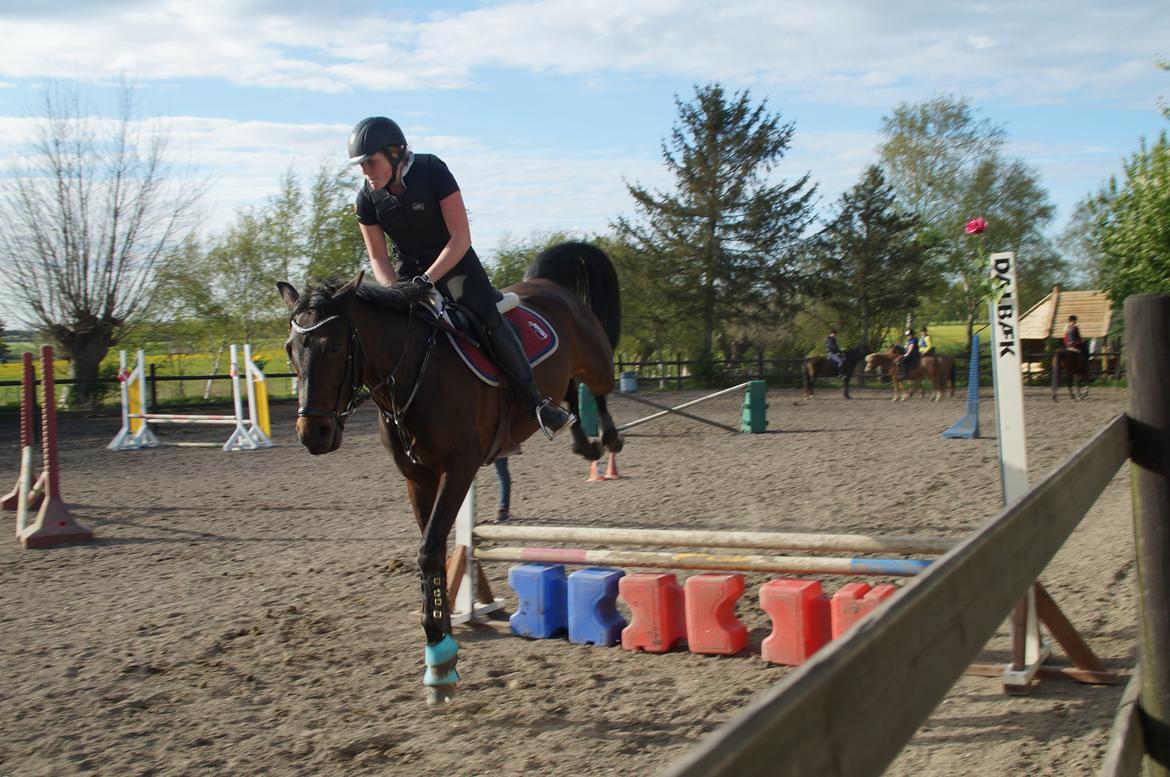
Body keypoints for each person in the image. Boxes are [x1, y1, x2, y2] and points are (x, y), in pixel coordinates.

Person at [348, 116, 573, 439]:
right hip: (409, 273)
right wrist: (394, 291)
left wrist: (427, 280)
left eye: (371, 162)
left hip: (456, 265)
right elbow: (378, 258)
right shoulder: (366, 200)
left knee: (486, 316)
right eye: (361, 166)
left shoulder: (433, 171)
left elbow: (460, 238)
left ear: (395, 153)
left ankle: (535, 402)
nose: (366, 172)